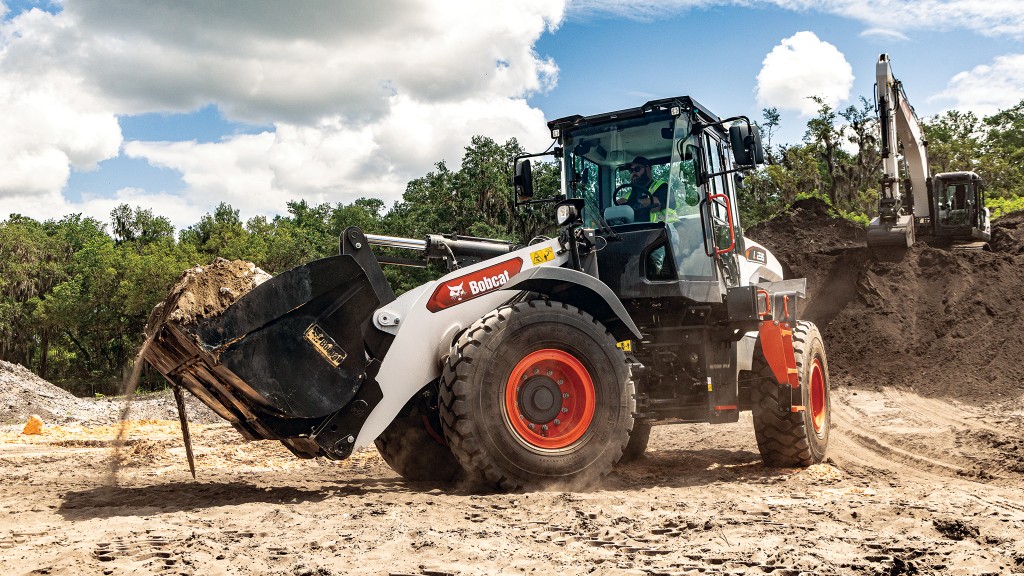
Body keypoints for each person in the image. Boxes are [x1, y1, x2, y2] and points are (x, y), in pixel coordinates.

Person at [619, 156, 669, 222]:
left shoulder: (662, 186)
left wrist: (629, 204)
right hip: (633, 230)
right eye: (631, 170)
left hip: (661, 229)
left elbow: (656, 205)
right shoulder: (628, 195)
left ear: (647, 169)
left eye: (637, 169)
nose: (633, 173)